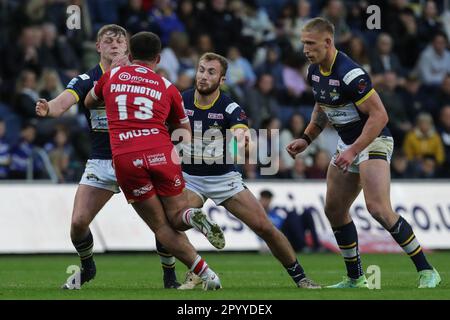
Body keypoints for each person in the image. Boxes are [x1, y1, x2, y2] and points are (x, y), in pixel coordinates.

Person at [286, 17, 441, 288]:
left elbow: (380, 116)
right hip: (348, 145)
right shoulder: (313, 71)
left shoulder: (350, 74)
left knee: (378, 208)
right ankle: (355, 278)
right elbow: (321, 106)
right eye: (303, 44)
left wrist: (354, 150)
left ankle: (427, 270)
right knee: (334, 209)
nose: (305, 49)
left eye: (310, 44)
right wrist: (307, 138)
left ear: (328, 42)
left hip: (373, 141)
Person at [35, 25, 180, 289]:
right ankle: (88, 267)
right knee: (78, 223)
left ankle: (169, 276)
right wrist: (49, 108)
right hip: (103, 160)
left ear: (128, 49)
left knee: (162, 224)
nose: (114, 45)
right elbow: (63, 101)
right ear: (98, 47)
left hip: (139, 158)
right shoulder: (87, 79)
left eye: (120, 41)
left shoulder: (141, 78)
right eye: (107, 41)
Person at [85, 31, 223, 290]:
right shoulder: (167, 86)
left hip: (126, 157)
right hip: (161, 153)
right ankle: (192, 215)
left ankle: (208, 275)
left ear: (130, 55)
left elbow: (89, 101)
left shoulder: (112, 75)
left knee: (160, 226)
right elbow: (185, 133)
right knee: (175, 216)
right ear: (158, 58)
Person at [177, 52, 320, 290]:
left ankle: (301, 278)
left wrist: (242, 142)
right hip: (190, 178)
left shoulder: (230, 106)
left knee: (265, 228)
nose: (203, 76)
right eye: (201, 69)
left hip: (224, 178)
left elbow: (241, 132)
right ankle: (194, 271)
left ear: (222, 80)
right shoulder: (180, 100)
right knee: (173, 223)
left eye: (211, 72)